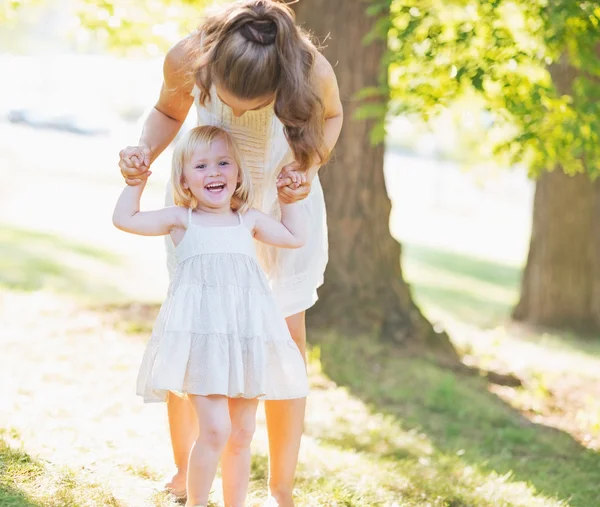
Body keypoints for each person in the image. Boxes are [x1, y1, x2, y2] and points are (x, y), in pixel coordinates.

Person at [118, 1, 343, 505]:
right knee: (194, 334)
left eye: (255, 103)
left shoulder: (310, 68)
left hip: (280, 207)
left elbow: (331, 117)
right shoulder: (187, 56)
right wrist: (141, 155)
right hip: (207, 206)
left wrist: (307, 168)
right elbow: (167, 111)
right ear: (211, 69)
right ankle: (185, 472)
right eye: (231, 101)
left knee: (285, 339)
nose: (240, 113)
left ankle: (281, 485)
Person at [113, 125, 309, 507]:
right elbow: (126, 219)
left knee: (241, 431)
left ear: (238, 172)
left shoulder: (247, 219)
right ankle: (196, 502)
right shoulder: (181, 220)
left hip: (243, 339)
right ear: (183, 178)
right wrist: (134, 181)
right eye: (201, 166)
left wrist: (289, 199)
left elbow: (293, 235)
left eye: (223, 163)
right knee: (216, 429)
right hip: (202, 344)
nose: (214, 172)